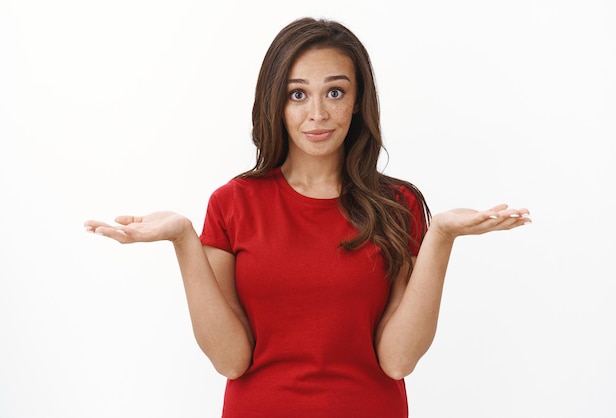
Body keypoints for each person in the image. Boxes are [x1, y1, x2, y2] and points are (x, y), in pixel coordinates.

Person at [84, 17, 531, 418]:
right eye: (298, 95)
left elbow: (398, 360)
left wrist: (442, 236)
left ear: (357, 101)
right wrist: (183, 238)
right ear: (276, 103)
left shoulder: (398, 205)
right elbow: (230, 360)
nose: (317, 113)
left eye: (335, 92)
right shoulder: (232, 203)